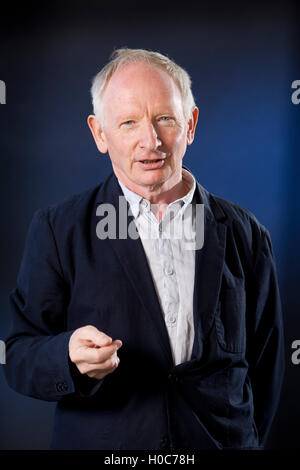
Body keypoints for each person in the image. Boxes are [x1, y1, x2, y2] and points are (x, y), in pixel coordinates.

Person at [4, 48, 285, 450]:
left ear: (190, 125)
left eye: (165, 119)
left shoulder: (248, 235)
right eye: (128, 122)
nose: (149, 141)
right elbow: (17, 355)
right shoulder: (57, 229)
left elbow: (267, 369)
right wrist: (65, 355)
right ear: (100, 134)